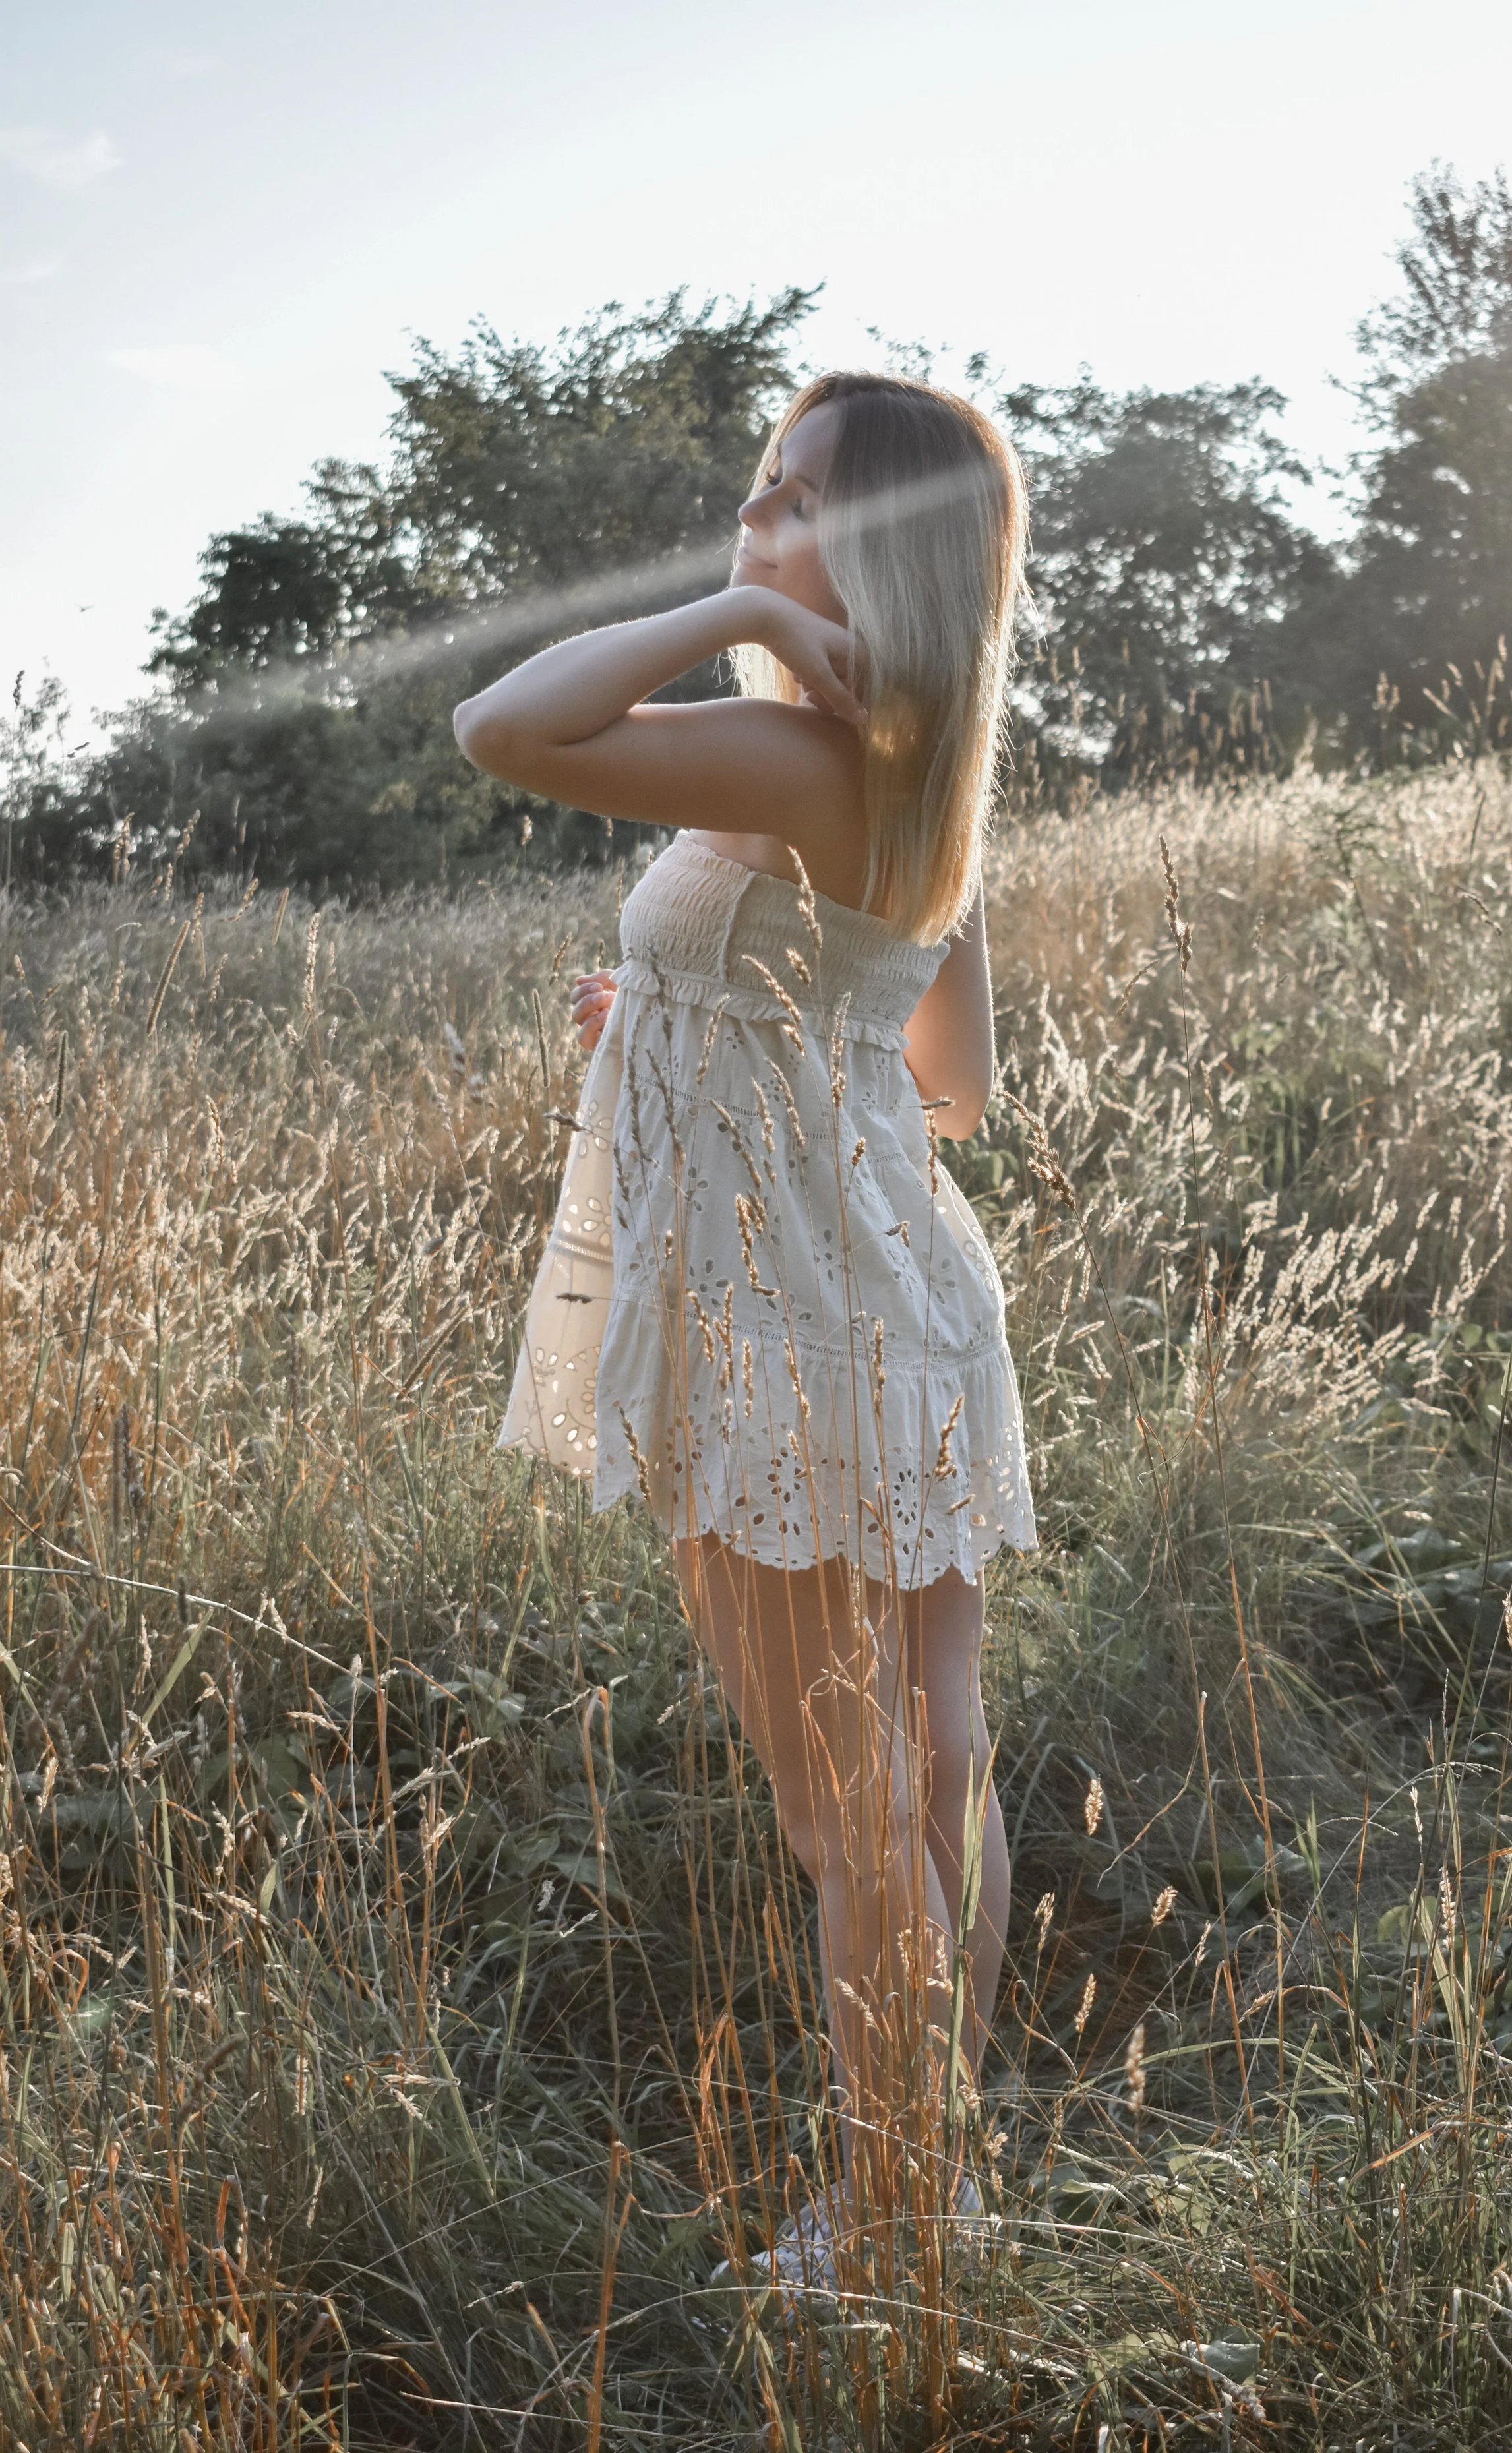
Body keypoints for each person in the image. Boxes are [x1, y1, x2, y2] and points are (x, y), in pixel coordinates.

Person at [454, 372, 1037, 2294]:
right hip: (911, 1309)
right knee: (932, 1773)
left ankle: (886, 2231)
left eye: (791, 508)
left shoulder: (793, 753)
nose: (749, 526)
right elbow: (940, 1076)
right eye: (752, 498)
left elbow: (502, 724)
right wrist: (682, 1022)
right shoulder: (928, 774)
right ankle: (939, 2180)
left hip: (779, 1331)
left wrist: (741, 627)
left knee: (842, 1815)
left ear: (876, 557)